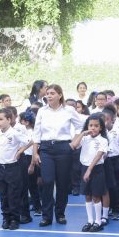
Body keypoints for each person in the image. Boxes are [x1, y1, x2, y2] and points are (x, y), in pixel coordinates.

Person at [30, 84, 84, 227]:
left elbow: (80, 127)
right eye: (47, 93)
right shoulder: (42, 111)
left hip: (63, 147)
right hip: (46, 148)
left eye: (52, 93)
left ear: (60, 95)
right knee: (47, 181)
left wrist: (74, 143)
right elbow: (36, 132)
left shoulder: (69, 110)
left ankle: (60, 214)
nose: (49, 95)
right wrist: (35, 152)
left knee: (62, 183)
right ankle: (46, 216)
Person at [72, 113, 107, 232]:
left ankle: (98, 221)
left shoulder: (103, 140)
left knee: (96, 196)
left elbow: (98, 156)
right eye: (91, 125)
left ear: (100, 128)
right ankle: (90, 220)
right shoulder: (85, 138)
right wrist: (82, 133)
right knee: (87, 195)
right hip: (84, 167)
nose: (93, 128)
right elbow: (74, 145)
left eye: (96, 126)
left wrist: (89, 170)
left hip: (96, 169)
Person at [0, 108, 25, 230]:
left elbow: (30, 140)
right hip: (0, 167)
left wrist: (20, 151)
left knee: (13, 195)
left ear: (9, 119)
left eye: (1, 119)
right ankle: (5, 217)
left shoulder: (14, 133)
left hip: (12, 167)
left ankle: (14, 219)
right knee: (3, 195)